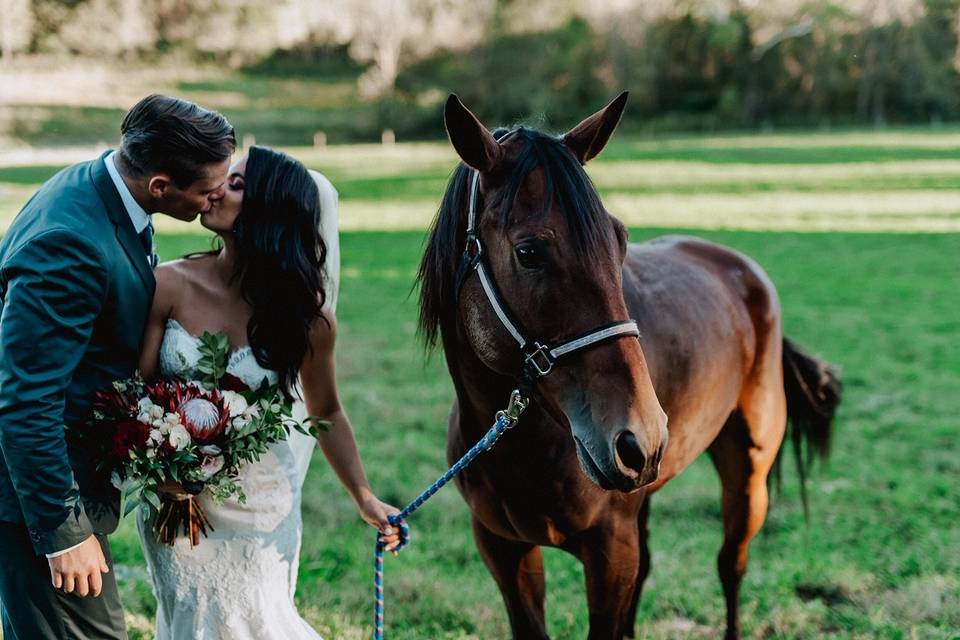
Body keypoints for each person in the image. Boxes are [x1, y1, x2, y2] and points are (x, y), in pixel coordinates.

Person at [135, 145, 402, 639]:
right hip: (176, 501)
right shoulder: (167, 285)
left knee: (258, 617)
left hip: (261, 500)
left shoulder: (309, 320)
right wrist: (164, 474)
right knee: (190, 619)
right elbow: (135, 397)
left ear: (268, 212)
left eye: (235, 185)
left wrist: (364, 497)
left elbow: (327, 412)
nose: (215, 189)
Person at [0, 94, 235, 639]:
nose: (215, 198)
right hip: (36, 501)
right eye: (205, 191)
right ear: (160, 186)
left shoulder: (99, 186)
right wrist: (63, 532)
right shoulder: (70, 244)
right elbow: (26, 399)